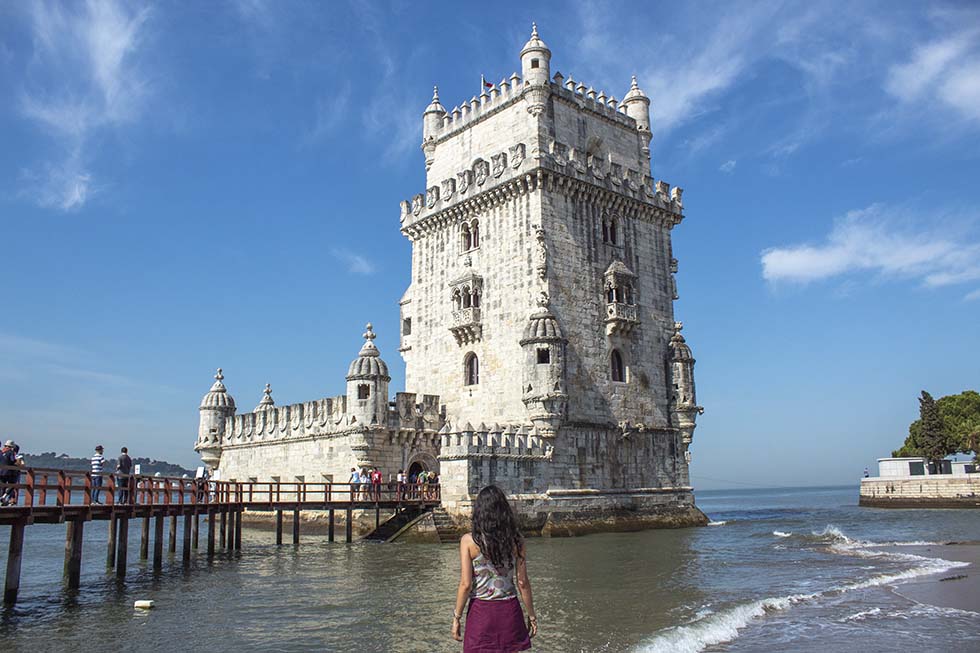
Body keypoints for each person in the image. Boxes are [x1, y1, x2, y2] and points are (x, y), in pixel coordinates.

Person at [452, 485, 536, 651]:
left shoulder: (468, 542)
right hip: (509, 611)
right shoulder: (517, 540)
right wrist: (531, 615)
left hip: (481, 613)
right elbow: (522, 582)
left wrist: (457, 617)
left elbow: (466, 584)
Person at [1, 440, 19, 506]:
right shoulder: (10, 452)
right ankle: (3, 498)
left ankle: (1, 501)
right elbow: (12, 460)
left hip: (0, 472)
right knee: (12, 485)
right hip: (8, 472)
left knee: (2, 487)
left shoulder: (1, 452)